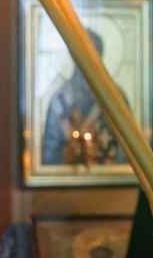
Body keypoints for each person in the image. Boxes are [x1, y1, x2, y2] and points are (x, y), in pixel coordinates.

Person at [41, 28, 127, 166]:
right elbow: (49, 158)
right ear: (73, 58)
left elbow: (129, 157)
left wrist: (103, 158)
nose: (86, 64)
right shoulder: (59, 102)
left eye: (91, 57)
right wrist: (68, 154)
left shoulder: (116, 100)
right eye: (81, 56)